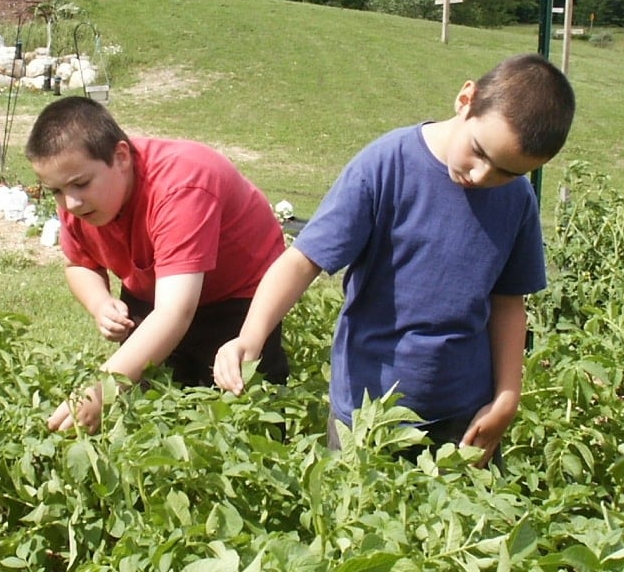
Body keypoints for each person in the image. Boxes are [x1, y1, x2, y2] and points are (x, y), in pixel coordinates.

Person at [213, 53, 575, 467]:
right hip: (367, 414)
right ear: (465, 99)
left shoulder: (516, 200)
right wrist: (251, 335)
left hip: (462, 417)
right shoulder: (387, 165)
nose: (481, 176)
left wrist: (506, 398)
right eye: (479, 152)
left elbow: (509, 304)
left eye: (506, 172)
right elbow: (302, 260)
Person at [25, 96, 289, 433]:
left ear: (121, 157)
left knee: (241, 407)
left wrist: (104, 388)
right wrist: (99, 302)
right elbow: (78, 263)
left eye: (80, 184)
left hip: (238, 297)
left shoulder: (181, 185)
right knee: (146, 407)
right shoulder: (79, 197)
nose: (70, 203)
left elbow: (174, 312)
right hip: (156, 289)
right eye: (56, 191)